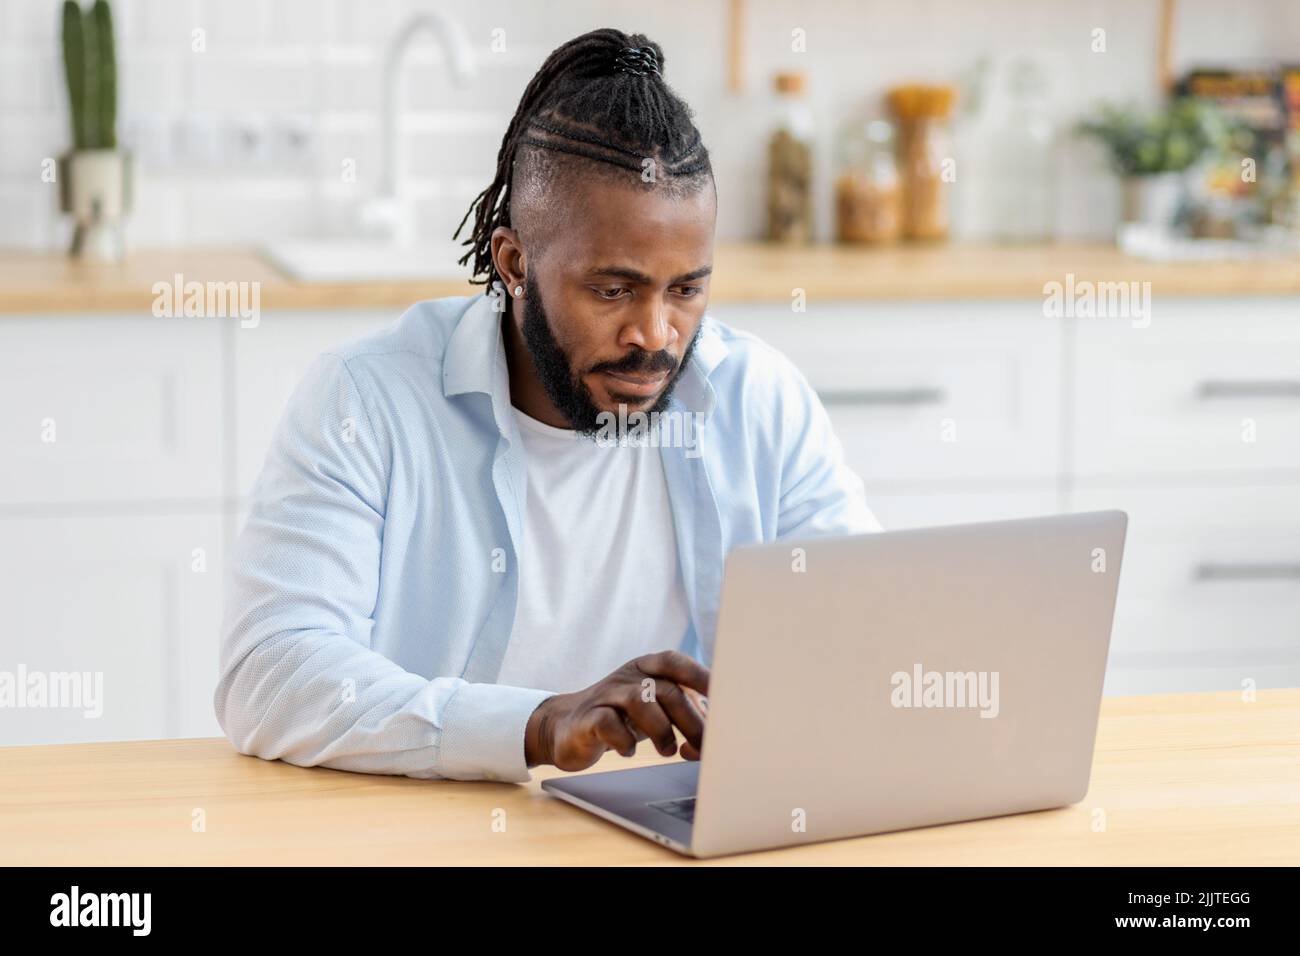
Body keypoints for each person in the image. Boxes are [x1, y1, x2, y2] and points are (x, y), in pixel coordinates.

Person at [215, 28, 878, 783]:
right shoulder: (366, 401)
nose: (655, 335)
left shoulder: (758, 400)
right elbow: (269, 673)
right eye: (612, 290)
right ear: (514, 263)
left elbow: (859, 632)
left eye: (686, 290)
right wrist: (536, 723)